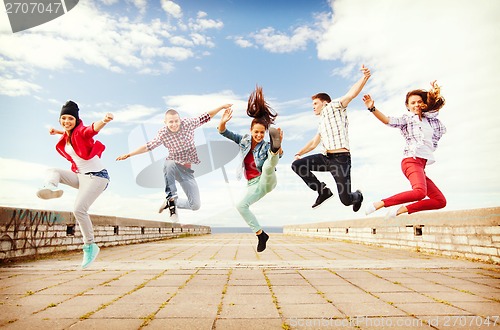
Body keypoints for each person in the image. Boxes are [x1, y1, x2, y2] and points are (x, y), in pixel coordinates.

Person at [116, 104, 232, 217]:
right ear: (165, 123)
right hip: (173, 166)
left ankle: (171, 203)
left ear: (180, 120)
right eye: (171, 122)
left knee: (195, 205)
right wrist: (129, 154)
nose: (174, 124)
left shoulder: (188, 124)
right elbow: (148, 146)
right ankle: (171, 197)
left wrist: (221, 107)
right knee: (169, 162)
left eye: (176, 121)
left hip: (186, 171)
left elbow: (206, 116)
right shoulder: (163, 134)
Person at [36, 100, 113, 269]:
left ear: (76, 120)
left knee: (78, 209)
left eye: (70, 118)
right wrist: (56, 131)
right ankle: (50, 188)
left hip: (98, 177)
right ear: (60, 119)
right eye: (63, 118)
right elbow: (65, 134)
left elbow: (91, 130)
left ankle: (90, 246)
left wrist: (104, 121)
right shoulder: (67, 135)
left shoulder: (80, 132)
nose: (66, 121)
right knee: (53, 170)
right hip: (82, 177)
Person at [291, 65, 371, 211]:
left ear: (325, 102)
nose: (313, 107)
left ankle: (358, 196)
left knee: (346, 201)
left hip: (341, 160)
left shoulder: (334, 107)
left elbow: (351, 94)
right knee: (297, 165)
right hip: (325, 158)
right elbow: (314, 143)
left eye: (315, 103)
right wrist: (299, 153)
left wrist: (364, 78)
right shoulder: (321, 122)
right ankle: (322, 191)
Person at [362, 80, 447, 217]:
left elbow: (434, 108)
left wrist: (433, 92)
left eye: (419, 101)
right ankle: (378, 204)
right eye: (412, 103)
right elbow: (387, 120)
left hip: (421, 165)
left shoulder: (431, 120)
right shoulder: (407, 120)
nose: (416, 105)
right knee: (420, 192)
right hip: (411, 161)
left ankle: (401, 210)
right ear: (408, 106)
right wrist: (372, 108)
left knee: (440, 201)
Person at [217, 86, 283, 252]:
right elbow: (223, 132)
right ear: (251, 131)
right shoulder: (244, 141)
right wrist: (223, 122)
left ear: (265, 132)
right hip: (253, 184)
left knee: (269, 165)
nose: (259, 135)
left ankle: (275, 148)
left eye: (262, 132)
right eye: (256, 132)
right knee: (241, 206)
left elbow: (280, 157)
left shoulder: (265, 145)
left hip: (267, 180)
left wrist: (278, 148)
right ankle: (261, 235)